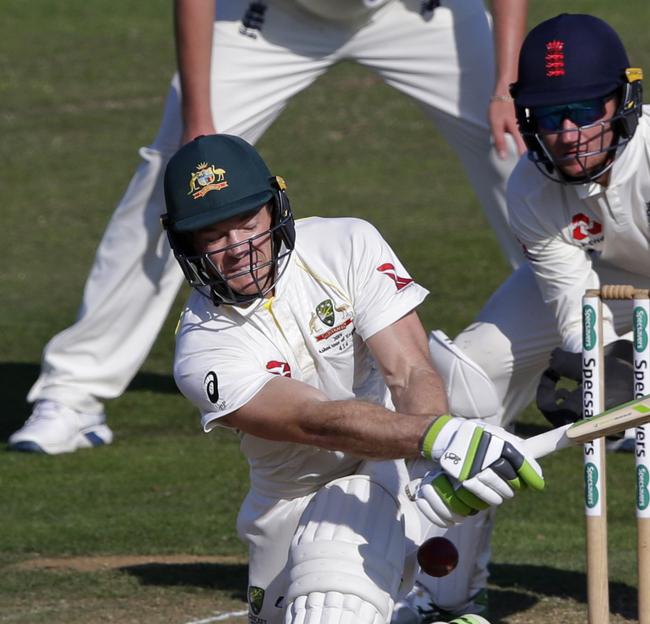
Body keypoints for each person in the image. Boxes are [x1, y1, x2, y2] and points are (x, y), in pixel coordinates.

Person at [162, 133, 544, 624]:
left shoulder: (346, 245)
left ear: (276, 209)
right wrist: (432, 439)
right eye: (210, 235)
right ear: (185, 247)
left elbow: (408, 368)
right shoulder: (202, 350)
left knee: (340, 531)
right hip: (288, 496)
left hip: (385, 467)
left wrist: (436, 447)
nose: (236, 248)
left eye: (246, 222)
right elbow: (310, 419)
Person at [9, 0, 528, 455]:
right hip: (271, 18)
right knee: (172, 186)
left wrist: (506, 85)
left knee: (525, 145)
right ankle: (75, 391)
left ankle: (594, 351)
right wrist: (198, 117)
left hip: (420, 12)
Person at [398, 13, 647, 624]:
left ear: (621, 98)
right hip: (601, 284)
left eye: (584, 109)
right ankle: (449, 595)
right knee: (469, 372)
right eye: (548, 114)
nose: (566, 133)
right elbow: (573, 313)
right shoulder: (531, 190)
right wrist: (603, 371)